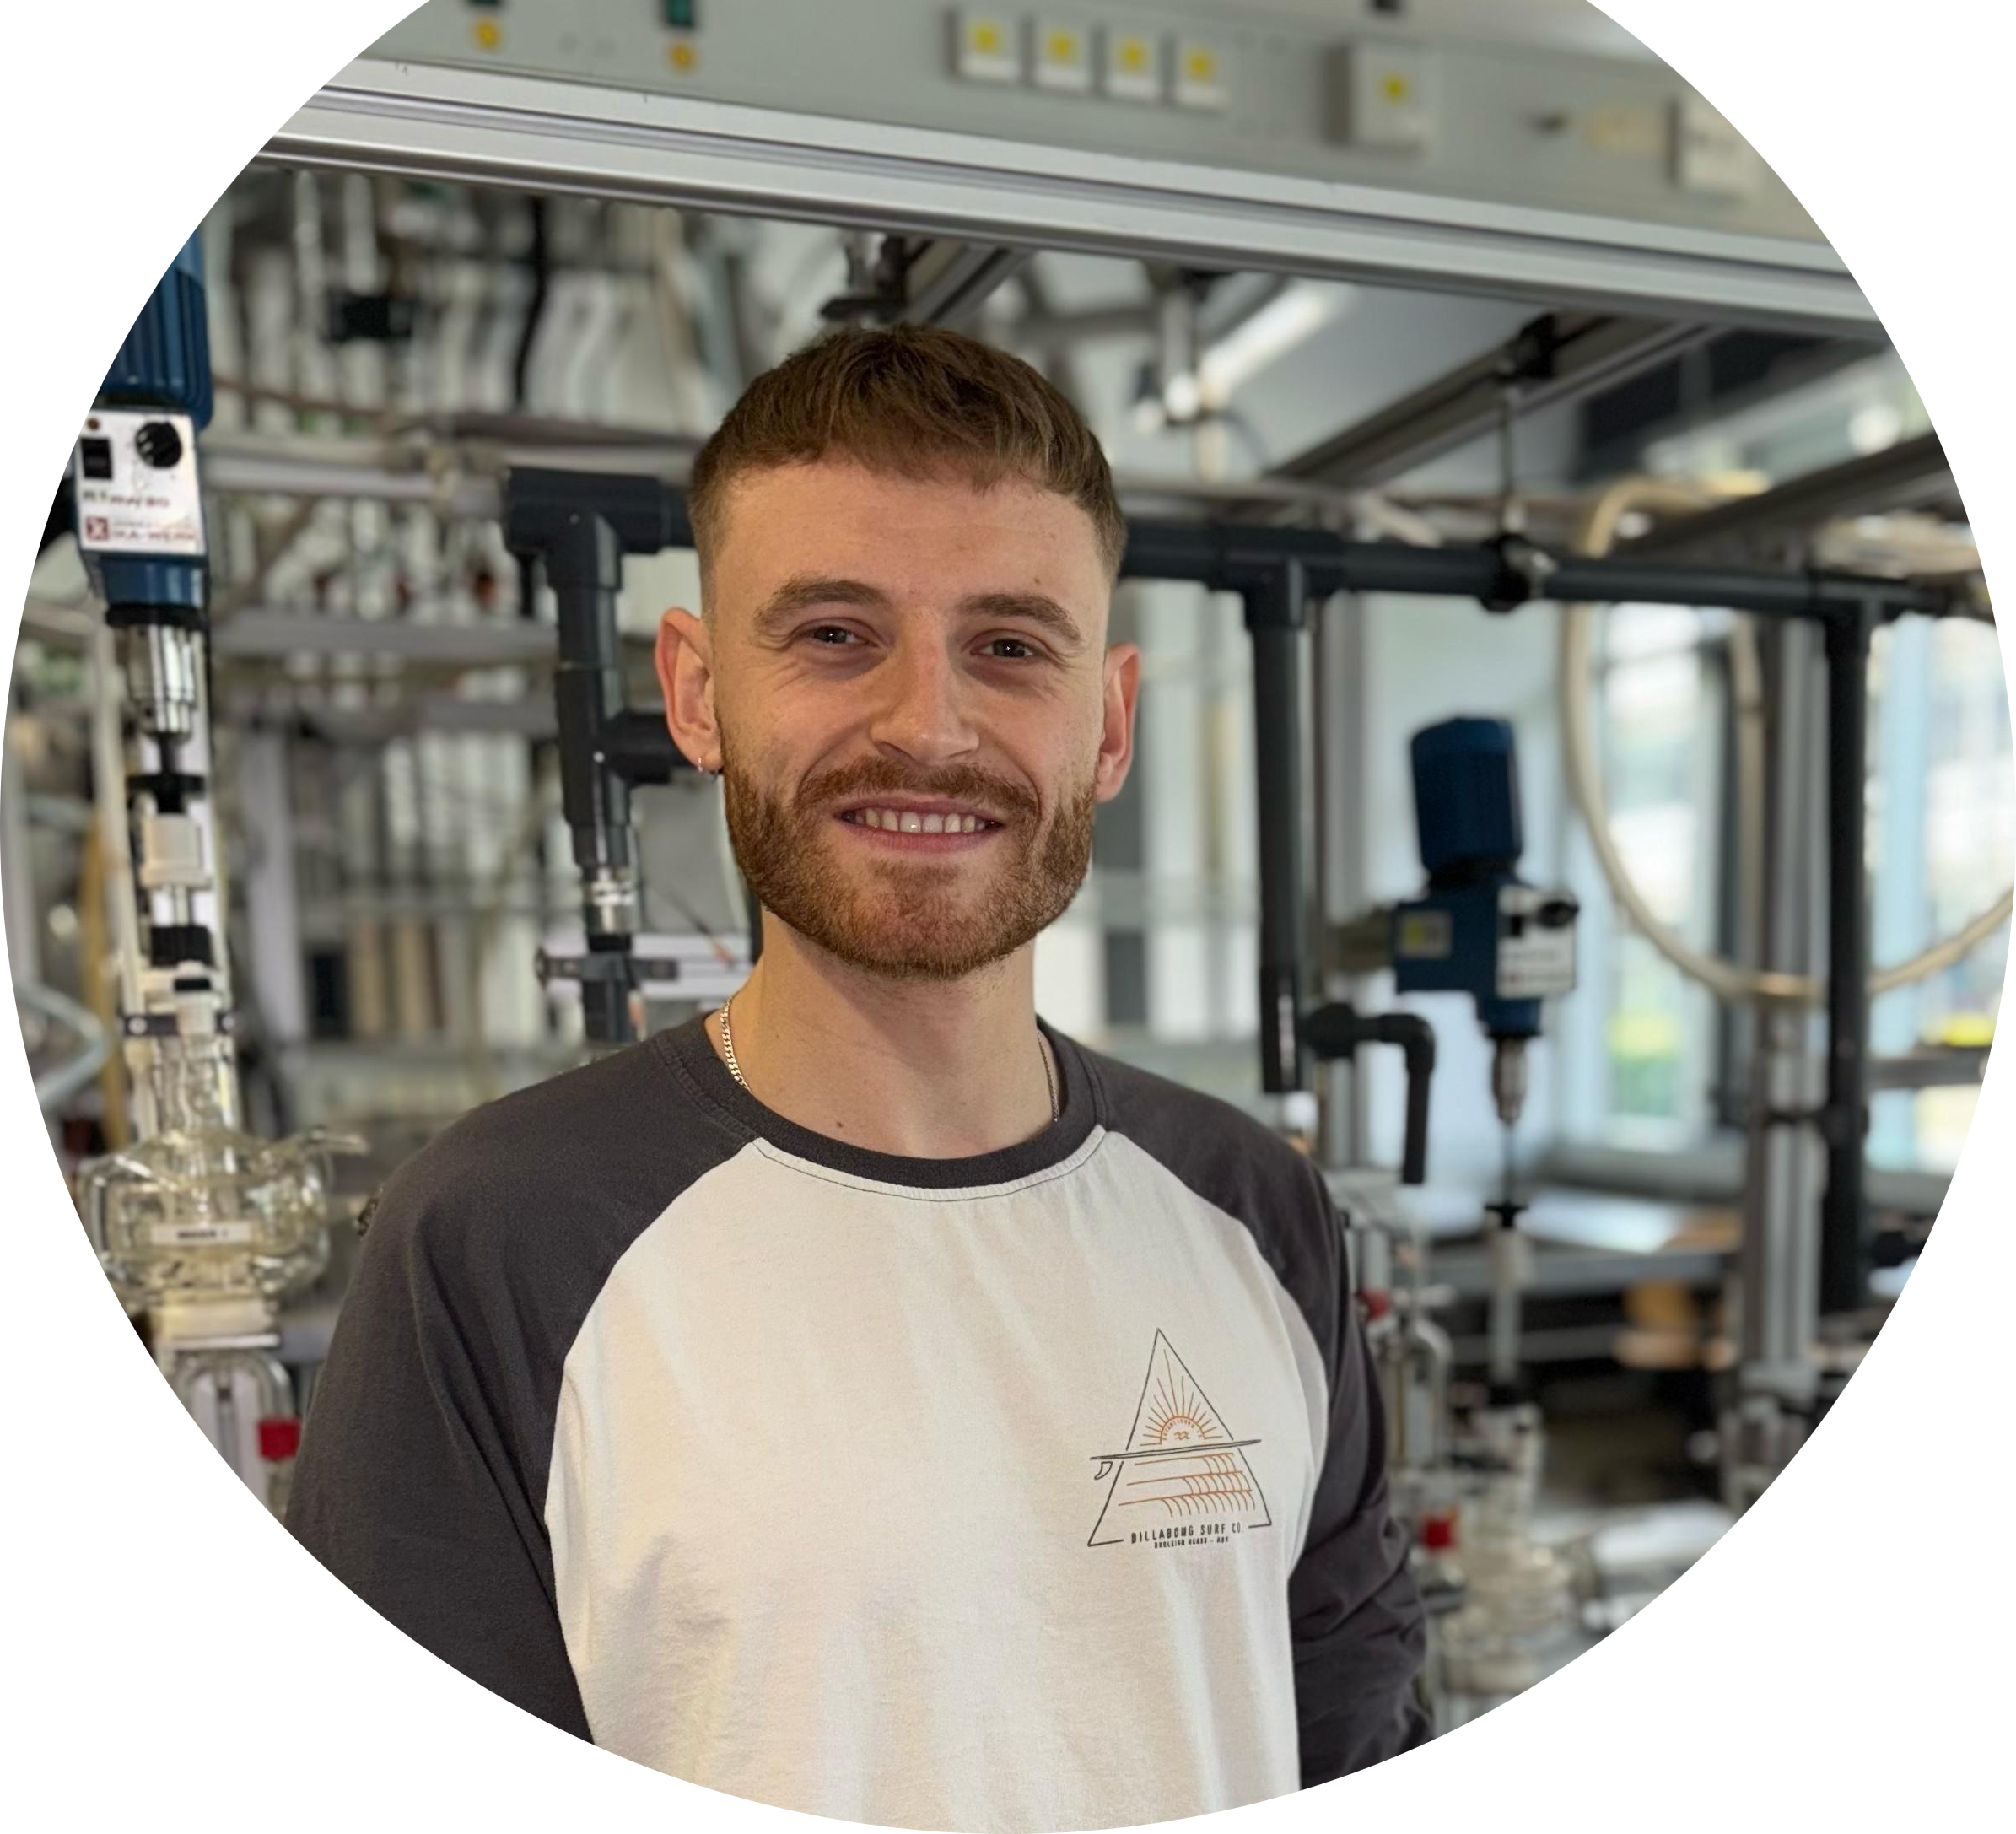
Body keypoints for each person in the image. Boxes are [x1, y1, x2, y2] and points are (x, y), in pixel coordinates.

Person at [288, 325, 1431, 1822]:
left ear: (1107, 722)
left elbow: (1354, 1717)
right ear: (697, 692)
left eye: (1009, 646)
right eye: (834, 633)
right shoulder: (496, 1240)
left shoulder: (1253, 1210)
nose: (926, 727)